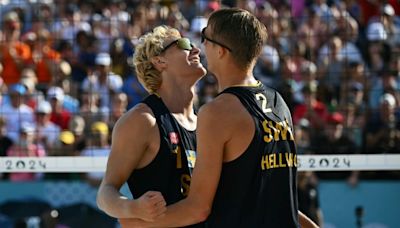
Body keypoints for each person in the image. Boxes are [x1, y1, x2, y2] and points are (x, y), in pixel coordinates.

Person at [121, 8, 318, 228]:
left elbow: (198, 208)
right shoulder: (279, 103)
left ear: (221, 51)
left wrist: (137, 223)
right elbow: (282, 200)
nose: (199, 45)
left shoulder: (216, 113)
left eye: (205, 36)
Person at [96, 25, 207, 222]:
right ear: (159, 60)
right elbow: (105, 193)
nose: (196, 49)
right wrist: (133, 208)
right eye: (184, 44)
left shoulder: (205, 122)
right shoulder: (143, 120)